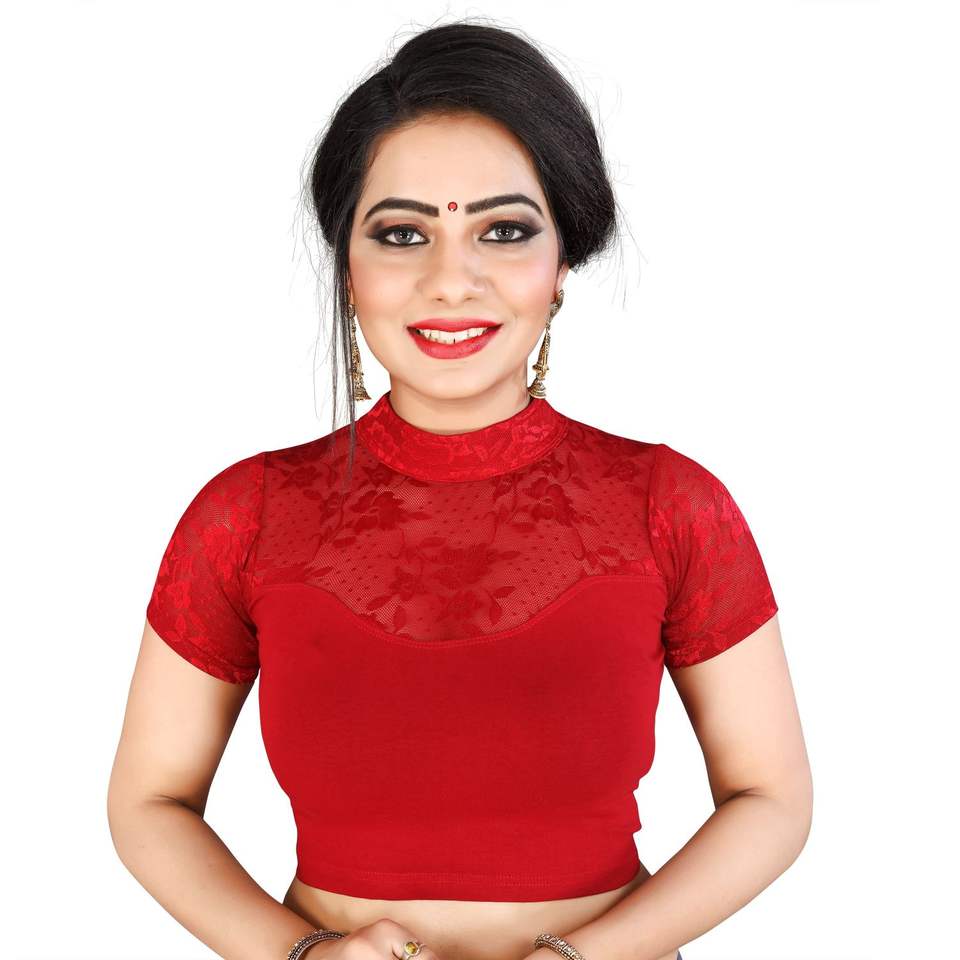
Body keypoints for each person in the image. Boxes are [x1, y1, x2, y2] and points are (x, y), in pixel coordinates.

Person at [107, 18, 812, 960]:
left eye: (504, 231)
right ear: (347, 267)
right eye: (402, 234)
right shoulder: (246, 514)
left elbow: (772, 798)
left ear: (562, 266)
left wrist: (582, 959)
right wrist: (304, 956)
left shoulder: (669, 504)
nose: (451, 281)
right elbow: (149, 802)